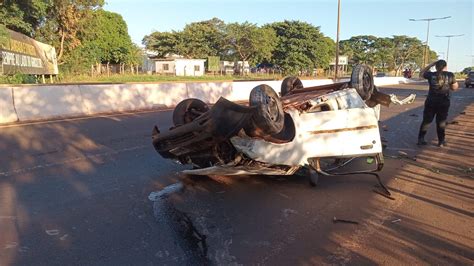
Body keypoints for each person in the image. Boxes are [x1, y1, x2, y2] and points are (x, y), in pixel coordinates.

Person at [417, 60, 459, 147]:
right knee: (441, 122)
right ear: (445, 66)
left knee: (427, 121)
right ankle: (441, 141)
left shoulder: (431, 75)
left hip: (431, 102)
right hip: (443, 102)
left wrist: (431, 64)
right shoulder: (450, 75)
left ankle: (421, 139)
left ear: (436, 67)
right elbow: (455, 87)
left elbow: (421, 73)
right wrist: (449, 86)